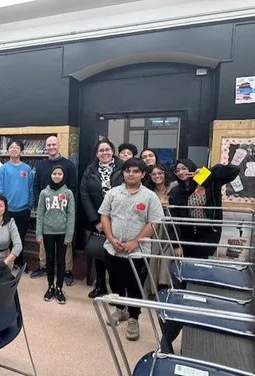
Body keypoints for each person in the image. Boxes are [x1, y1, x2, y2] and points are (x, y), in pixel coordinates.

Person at [99, 158, 164, 341]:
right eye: (128, 171)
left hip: (138, 250)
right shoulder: (113, 193)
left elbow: (154, 222)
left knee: (135, 285)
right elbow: (105, 216)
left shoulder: (150, 196)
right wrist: (111, 239)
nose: (131, 174)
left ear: (143, 174)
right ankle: (120, 310)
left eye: (136, 171)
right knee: (116, 281)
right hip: (113, 249)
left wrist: (135, 241)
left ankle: (134, 317)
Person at [168, 158, 240, 259]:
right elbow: (173, 220)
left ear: (191, 168)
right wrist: (176, 244)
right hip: (186, 235)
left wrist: (207, 172)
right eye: (177, 170)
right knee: (188, 265)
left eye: (184, 168)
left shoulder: (206, 180)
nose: (181, 172)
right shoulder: (175, 192)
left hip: (209, 232)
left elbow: (234, 171)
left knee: (203, 263)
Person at [31, 135, 77, 286]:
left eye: (53, 145)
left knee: (65, 244)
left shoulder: (68, 164)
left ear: (58, 145)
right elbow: (36, 185)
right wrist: (40, 202)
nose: (51, 147)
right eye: (48, 145)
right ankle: (43, 266)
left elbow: (73, 186)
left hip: (62, 208)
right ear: (46, 147)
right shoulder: (40, 165)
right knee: (44, 242)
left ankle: (67, 270)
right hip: (46, 206)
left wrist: (62, 200)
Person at [80, 138, 123, 299]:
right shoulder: (90, 170)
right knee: (99, 253)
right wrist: (95, 220)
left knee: (116, 253)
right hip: (97, 219)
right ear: (96, 154)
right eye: (101, 150)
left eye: (107, 149)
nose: (104, 152)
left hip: (119, 219)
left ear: (113, 151)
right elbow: (84, 195)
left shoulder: (123, 167)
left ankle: (117, 288)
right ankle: (100, 285)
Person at [36, 165, 75, 304]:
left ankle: (59, 287)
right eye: (54, 173)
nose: (57, 176)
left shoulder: (68, 193)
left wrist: (69, 235)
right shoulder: (44, 193)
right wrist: (38, 233)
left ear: (63, 176)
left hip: (62, 232)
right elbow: (40, 214)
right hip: (47, 232)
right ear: (50, 175)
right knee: (50, 260)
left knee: (61, 261)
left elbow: (71, 215)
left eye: (60, 173)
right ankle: (50, 286)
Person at [0, 139, 33, 271]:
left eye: (17, 147)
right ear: (7, 151)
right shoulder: (3, 169)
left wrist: (29, 205)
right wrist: (2, 206)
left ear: (21, 151)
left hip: (23, 209)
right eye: (11, 147)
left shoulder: (27, 169)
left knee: (20, 237)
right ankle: (7, 262)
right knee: (7, 237)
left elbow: (30, 188)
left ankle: (19, 261)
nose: (14, 149)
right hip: (7, 209)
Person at [144, 163, 178, 294]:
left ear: (165, 173)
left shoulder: (175, 186)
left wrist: (201, 172)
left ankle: (166, 288)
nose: (157, 176)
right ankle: (152, 289)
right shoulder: (149, 192)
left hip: (172, 229)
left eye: (160, 173)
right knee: (153, 258)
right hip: (156, 229)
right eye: (154, 174)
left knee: (166, 259)